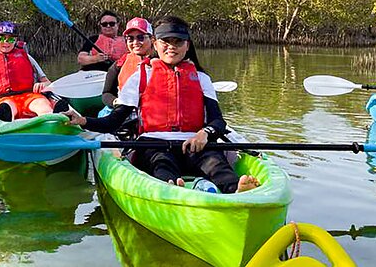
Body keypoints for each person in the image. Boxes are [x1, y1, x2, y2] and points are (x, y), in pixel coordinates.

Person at [66, 16, 259, 194]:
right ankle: (173, 190)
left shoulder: (201, 78)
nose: (171, 47)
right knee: (162, 165)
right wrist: (82, 120)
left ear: (187, 45)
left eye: (178, 42)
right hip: (153, 144)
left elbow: (218, 121)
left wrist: (204, 133)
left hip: (194, 144)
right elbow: (113, 121)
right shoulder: (140, 77)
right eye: (166, 42)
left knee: (216, 163)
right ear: (156, 44)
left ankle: (236, 190)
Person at [101, 17, 155, 108]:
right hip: (126, 111)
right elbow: (106, 93)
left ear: (152, 39)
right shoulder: (120, 63)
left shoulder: (163, 62)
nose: (135, 42)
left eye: (140, 37)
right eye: (130, 38)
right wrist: (116, 102)